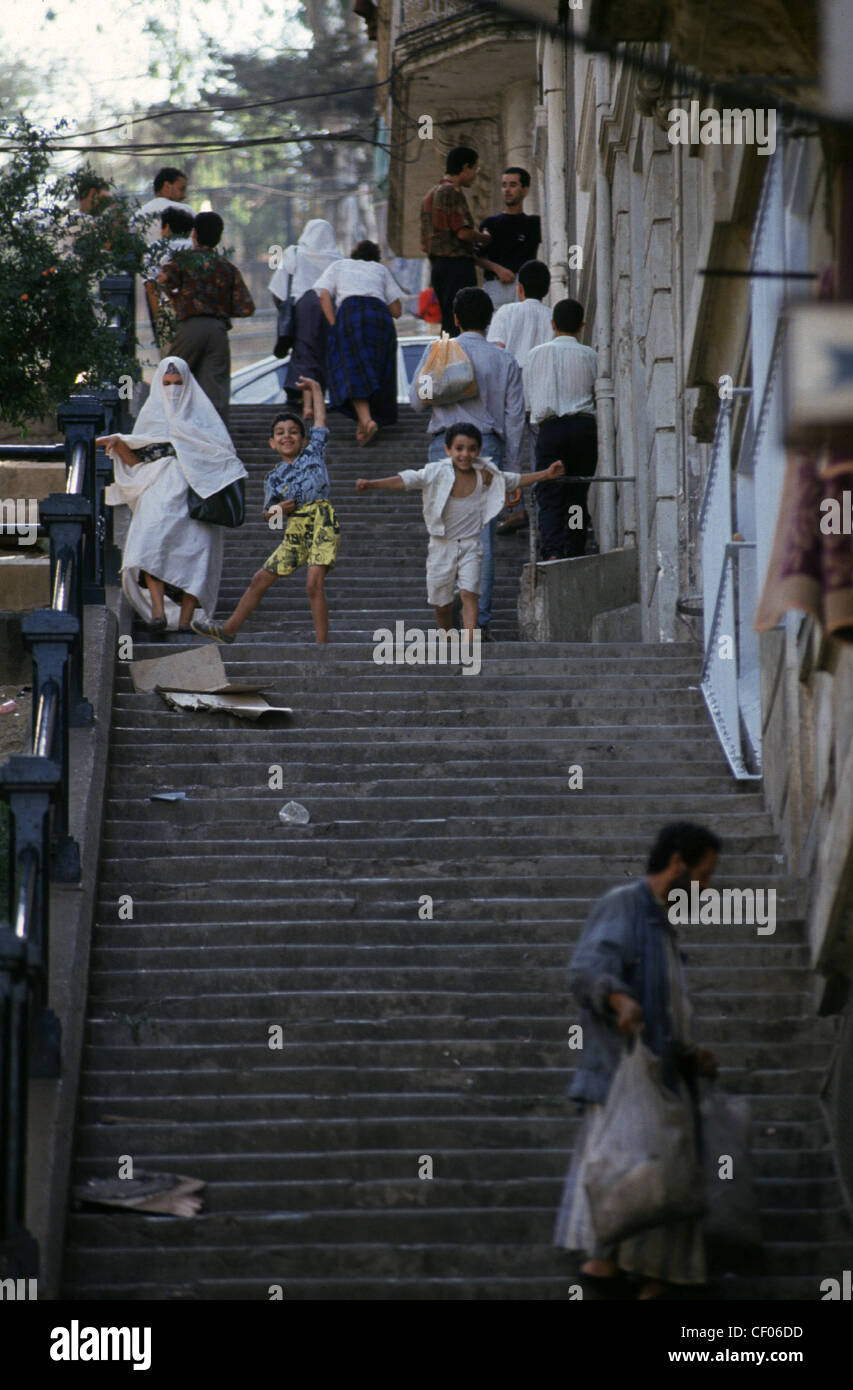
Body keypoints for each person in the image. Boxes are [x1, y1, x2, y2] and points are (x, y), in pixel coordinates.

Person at [554, 822, 721, 1301]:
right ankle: (606, 1274)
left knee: (651, 1204)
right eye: (703, 875)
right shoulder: (625, 905)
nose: (706, 887)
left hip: (662, 1086)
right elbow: (587, 969)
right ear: (676, 863)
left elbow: (667, 1013)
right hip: (621, 1083)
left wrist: (691, 1054)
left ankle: (633, 1277)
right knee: (623, 1205)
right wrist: (619, 1001)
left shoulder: (662, 927)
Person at [355, 423, 563, 639]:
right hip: (441, 546)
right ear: (448, 450)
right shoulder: (436, 472)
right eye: (459, 448)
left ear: (479, 451)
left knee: (469, 593)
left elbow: (513, 480)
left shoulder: (486, 474)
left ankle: (469, 645)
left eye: (472, 449)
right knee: (441, 604)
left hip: (471, 545)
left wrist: (546, 474)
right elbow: (406, 480)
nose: (465, 454)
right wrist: (372, 484)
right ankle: (448, 638)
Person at [409, 286, 525, 640]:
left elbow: (417, 402)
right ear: (490, 321)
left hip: (444, 449)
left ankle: (447, 619)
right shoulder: (504, 360)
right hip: (487, 448)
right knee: (482, 539)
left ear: (455, 319)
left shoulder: (439, 350)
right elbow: (515, 420)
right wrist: (514, 473)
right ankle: (480, 622)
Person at [100, 357, 248, 632]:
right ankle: (158, 611)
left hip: (197, 495)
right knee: (148, 544)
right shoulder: (151, 418)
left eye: (179, 383)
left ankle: (185, 620)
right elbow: (136, 463)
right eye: (167, 383)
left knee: (196, 552)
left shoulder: (205, 421)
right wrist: (119, 445)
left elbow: (225, 458)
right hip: (158, 490)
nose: (173, 389)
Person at [191, 378, 339, 645]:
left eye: (293, 432)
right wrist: (279, 509)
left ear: (304, 440)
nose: (287, 436)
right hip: (295, 529)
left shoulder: (313, 453)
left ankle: (322, 644)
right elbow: (270, 518)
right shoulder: (273, 478)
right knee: (259, 579)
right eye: (280, 433)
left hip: (321, 521)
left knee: (313, 584)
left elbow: (320, 421)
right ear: (272, 443)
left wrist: (316, 389)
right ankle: (229, 629)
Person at [159, 212, 255, 425]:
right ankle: (216, 442)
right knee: (215, 394)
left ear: (194, 234)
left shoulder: (182, 261)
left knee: (172, 381)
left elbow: (164, 279)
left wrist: (176, 300)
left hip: (189, 328)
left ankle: (164, 434)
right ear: (219, 238)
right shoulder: (228, 268)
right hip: (218, 331)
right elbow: (247, 307)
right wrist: (220, 307)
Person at [523, 298, 598, 560]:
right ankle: (576, 546)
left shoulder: (534, 355)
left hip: (551, 430)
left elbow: (529, 403)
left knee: (550, 492)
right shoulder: (591, 355)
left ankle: (552, 551)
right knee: (577, 493)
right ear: (582, 326)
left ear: (552, 324)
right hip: (583, 429)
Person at [313, 240, 403, 447]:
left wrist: (335, 324)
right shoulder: (380, 269)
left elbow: (324, 296)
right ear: (376, 257)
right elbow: (397, 311)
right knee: (378, 370)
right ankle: (365, 424)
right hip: (380, 316)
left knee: (351, 370)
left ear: (354, 254)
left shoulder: (339, 265)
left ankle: (366, 420)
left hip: (351, 314)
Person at [268, 218, 342, 419]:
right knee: (326, 354)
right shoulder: (338, 258)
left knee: (304, 354)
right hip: (330, 309)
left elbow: (278, 289)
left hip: (303, 308)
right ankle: (323, 400)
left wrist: (286, 312)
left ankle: (305, 404)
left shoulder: (294, 253)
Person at [420, 146, 491, 336]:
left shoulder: (431, 193)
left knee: (449, 322)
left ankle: (450, 358)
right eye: (474, 170)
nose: (474, 176)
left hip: (439, 266)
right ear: (465, 167)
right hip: (456, 266)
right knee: (465, 321)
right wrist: (484, 238)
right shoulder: (452, 192)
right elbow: (462, 233)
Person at [476, 167, 542, 311]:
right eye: (504, 185)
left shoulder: (534, 223)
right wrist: (497, 269)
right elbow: (476, 256)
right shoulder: (490, 224)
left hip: (525, 286)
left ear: (525, 190)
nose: (507, 190)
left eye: (512, 185)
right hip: (496, 286)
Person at [142, 206, 195, 354]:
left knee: (171, 364)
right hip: (194, 311)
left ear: (167, 227)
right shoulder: (194, 249)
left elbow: (151, 286)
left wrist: (158, 319)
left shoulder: (154, 249)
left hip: (168, 309)